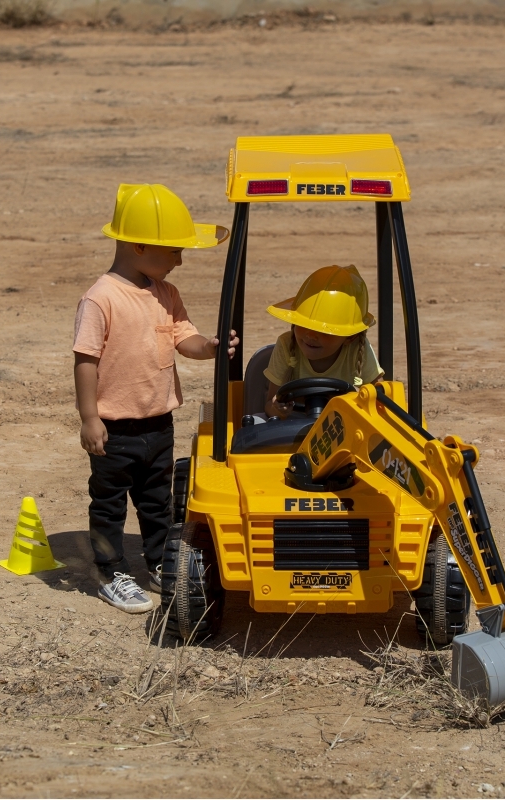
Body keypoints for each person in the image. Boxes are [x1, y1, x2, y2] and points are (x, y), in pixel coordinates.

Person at [72, 183, 237, 614]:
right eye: (174, 250)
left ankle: (161, 561)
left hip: (159, 423)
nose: (181, 259)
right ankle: (111, 572)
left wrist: (212, 347)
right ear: (139, 245)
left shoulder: (167, 294)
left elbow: (186, 340)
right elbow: (85, 360)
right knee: (108, 505)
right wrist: (90, 418)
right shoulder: (100, 298)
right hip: (114, 427)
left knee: (156, 501)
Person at [263, 264, 383, 419]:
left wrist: (363, 398)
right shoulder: (286, 345)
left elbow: (383, 399)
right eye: (304, 324)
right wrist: (277, 408)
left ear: (350, 337)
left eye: (324, 331)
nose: (311, 335)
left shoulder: (357, 349)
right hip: (293, 429)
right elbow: (269, 407)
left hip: (346, 429)